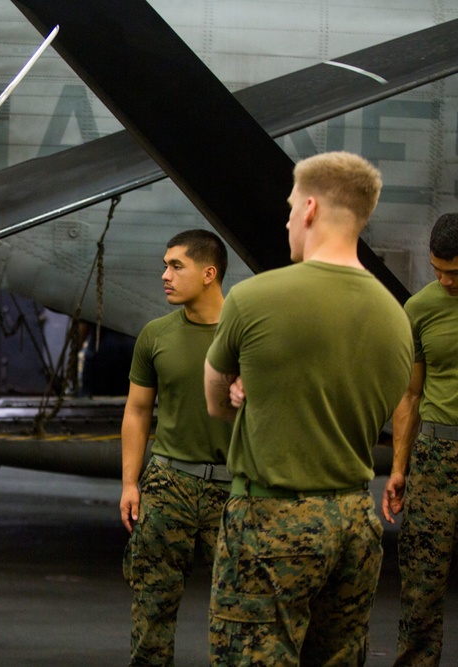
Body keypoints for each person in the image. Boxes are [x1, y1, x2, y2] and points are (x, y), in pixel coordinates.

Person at [203, 151, 413, 665]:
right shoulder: (396, 316)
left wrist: (249, 399)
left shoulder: (254, 297)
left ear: (313, 209)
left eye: (292, 206)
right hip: (355, 522)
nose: (288, 218)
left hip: (271, 520)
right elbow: (372, 405)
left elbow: (214, 399)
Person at [120, 229, 233, 664]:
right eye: (165, 265)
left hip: (233, 490)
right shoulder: (155, 336)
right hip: (168, 486)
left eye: (175, 266)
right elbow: (137, 411)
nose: (164, 275)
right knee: (151, 613)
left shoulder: (247, 336)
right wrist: (131, 483)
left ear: (209, 273)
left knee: (240, 612)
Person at [382, 212, 458, 666]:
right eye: (438, 271)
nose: (446, 281)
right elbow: (409, 396)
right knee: (422, 583)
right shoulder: (421, 308)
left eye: (456, 272)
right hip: (437, 456)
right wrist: (398, 469)